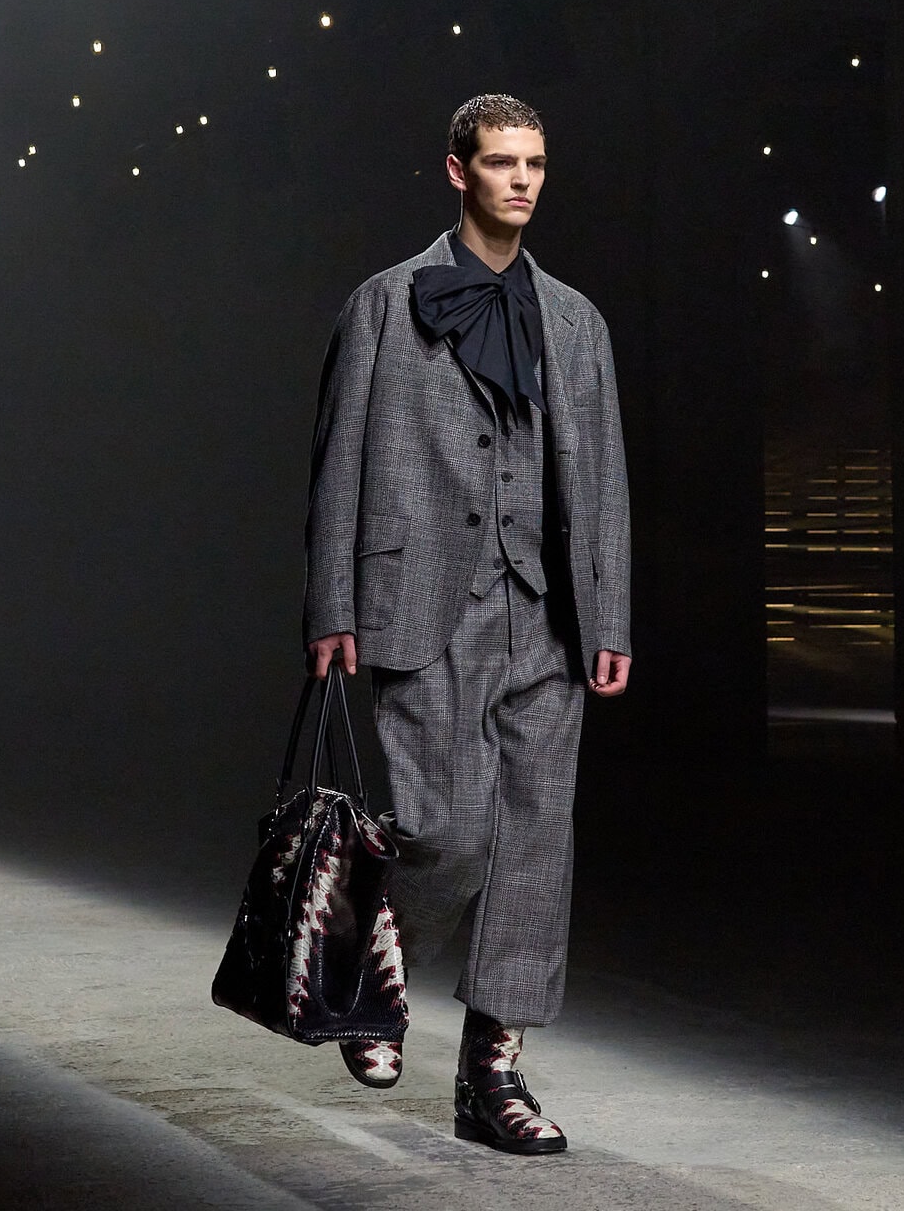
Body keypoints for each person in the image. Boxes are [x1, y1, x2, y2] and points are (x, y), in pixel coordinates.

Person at [302, 94, 632, 1155]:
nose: (522, 180)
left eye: (535, 162)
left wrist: (610, 612)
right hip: (424, 598)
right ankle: (371, 962)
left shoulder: (576, 321)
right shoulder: (385, 303)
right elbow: (339, 459)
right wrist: (333, 603)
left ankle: (492, 1073)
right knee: (445, 826)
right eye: (501, 162)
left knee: (535, 842)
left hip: (550, 612)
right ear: (458, 170)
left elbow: (605, 480)